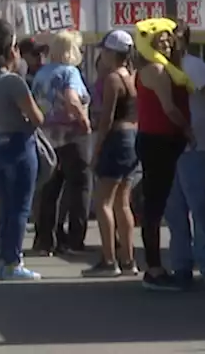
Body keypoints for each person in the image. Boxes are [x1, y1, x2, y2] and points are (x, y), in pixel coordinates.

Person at [0, 20, 45, 280]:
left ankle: (3, 261)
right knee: (20, 206)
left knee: (5, 205)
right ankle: (13, 260)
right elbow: (36, 117)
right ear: (11, 51)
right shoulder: (13, 82)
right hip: (17, 143)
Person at [134, 18, 191, 291]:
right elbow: (169, 109)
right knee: (154, 207)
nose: (167, 42)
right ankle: (154, 269)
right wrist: (188, 130)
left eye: (169, 37)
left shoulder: (164, 67)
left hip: (163, 140)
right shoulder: (156, 69)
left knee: (160, 205)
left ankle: (158, 266)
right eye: (161, 39)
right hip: (158, 141)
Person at [167, 21, 205, 288]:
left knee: (199, 208)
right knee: (175, 211)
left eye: (172, 38)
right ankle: (181, 266)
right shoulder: (159, 68)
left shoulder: (194, 66)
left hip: (196, 145)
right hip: (168, 147)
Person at [83, 30, 140, 278]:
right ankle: (128, 259)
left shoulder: (112, 80)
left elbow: (105, 120)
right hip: (132, 139)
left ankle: (109, 259)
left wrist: (96, 150)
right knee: (123, 202)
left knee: (103, 200)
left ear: (111, 53)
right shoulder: (132, 77)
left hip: (116, 139)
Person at [30, 30, 92, 256]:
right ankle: (75, 238)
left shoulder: (41, 74)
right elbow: (72, 99)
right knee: (80, 186)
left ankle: (45, 239)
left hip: (46, 136)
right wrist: (84, 121)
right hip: (71, 136)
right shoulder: (70, 72)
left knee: (49, 189)